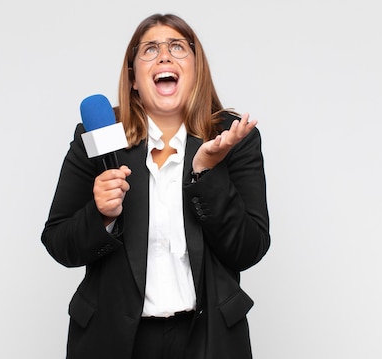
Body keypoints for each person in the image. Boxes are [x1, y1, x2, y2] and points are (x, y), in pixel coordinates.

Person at [41, 13, 270, 359]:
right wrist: (100, 215)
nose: (164, 56)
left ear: (196, 69)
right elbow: (58, 242)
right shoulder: (99, 137)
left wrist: (206, 173)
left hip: (208, 340)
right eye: (149, 49)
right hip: (114, 340)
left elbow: (248, 249)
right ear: (133, 78)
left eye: (177, 46)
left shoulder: (232, 137)